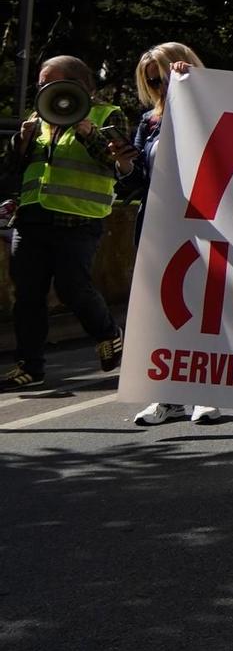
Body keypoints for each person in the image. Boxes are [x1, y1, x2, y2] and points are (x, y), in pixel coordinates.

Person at [1, 56, 133, 392]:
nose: (44, 88)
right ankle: (30, 367)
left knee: (73, 287)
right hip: (31, 217)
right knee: (27, 295)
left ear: (78, 83)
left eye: (52, 81)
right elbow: (11, 168)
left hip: (79, 218)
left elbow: (119, 165)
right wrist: (21, 142)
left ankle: (107, 333)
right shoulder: (38, 116)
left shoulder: (107, 114)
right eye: (42, 82)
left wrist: (88, 133)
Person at [122, 44, 221, 426]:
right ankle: (167, 396)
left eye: (161, 78)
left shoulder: (213, 110)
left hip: (205, 223)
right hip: (158, 225)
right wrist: (124, 162)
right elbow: (137, 183)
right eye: (151, 82)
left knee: (205, 309)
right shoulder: (148, 121)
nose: (158, 87)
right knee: (162, 311)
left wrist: (194, 84)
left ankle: (206, 392)